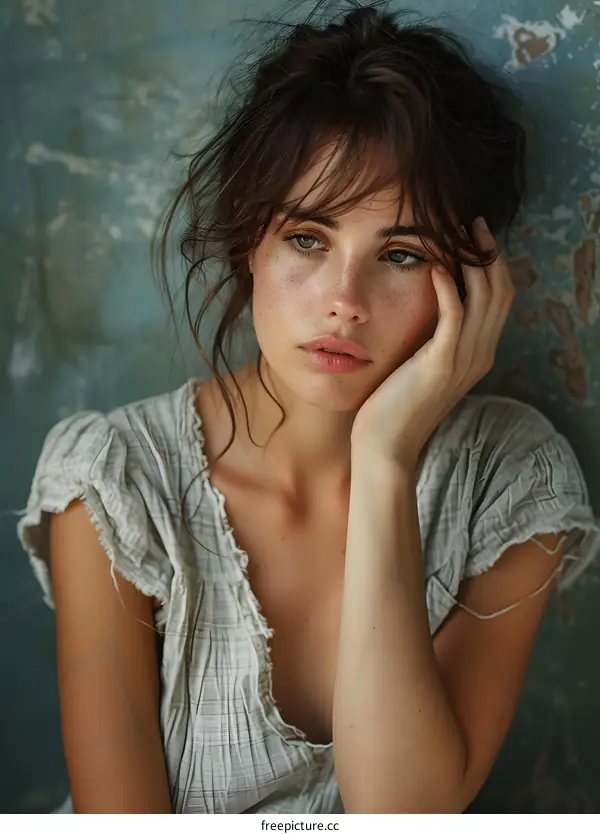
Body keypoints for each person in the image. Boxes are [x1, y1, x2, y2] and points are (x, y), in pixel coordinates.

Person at [16, 0, 600, 815]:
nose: (344, 301)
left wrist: (387, 459)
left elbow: (405, 819)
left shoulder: (512, 483)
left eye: (401, 254)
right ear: (247, 240)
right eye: (307, 239)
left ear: (472, 284)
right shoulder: (117, 481)